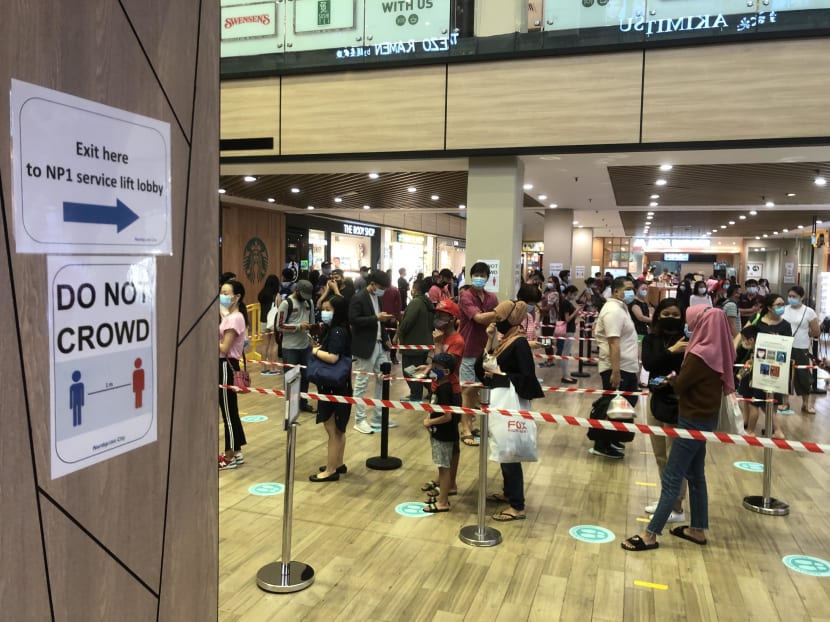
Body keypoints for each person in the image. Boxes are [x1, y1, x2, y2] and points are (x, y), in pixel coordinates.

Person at [622, 305, 735, 551]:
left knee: (673, 476)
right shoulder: (719, 348)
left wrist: (671, 379)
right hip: (706, 417)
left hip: (691, 418)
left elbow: (682, 384)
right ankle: (697, 529)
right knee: (696, 475)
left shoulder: (699, 353)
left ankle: (650, 534)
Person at [484, 300, 545, 521]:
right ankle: (509, 493)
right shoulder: (506, 340)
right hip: (501, 401)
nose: (497, 322)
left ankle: (517, 506)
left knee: (510, 451)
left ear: (511, 318)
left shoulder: (519, 343)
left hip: (511, 404)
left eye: (500, 318)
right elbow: (487, 360)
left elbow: (527, 376)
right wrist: (489, 338)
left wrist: (501, 375)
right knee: (504, 448)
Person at [642, 298, 688, 522]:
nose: (671, 318)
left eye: (675, 314)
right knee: (660, 453)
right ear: (658, 315)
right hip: (655, 398)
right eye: (666, 314)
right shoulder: (651, 339)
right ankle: (666, 498)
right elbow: (649, 364)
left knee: (675, 456)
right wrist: (671, 351)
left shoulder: (689, 340)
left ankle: (677, 506)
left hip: (678, 400)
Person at [591, 276, 639, 459]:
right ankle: (601, 443)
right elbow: (613, 342)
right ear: (616, 291)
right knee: (610, 406)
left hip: (627, 366)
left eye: (632, 288)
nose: (632, 292)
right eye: (628, 289)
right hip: (617, 367)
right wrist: (616, 371)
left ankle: (612, 438)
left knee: (624, 406)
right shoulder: (613, 310)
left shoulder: (621, 308)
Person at [309, 295, 352, 482]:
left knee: (332, 428)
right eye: (323, 309)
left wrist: (315, 351)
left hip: (333, 386)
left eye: (328, 310)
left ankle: (330, 470)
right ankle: (338, 463)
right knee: (339, 428)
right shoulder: (341, 329)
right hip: (341, 385)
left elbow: (333, 357)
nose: (324, 313)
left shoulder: (337, 332)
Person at [349, 270, 395, 433]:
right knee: (362, 382)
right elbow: (353, 320)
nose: (383, 291)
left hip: (379, 344)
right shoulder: (358, 297)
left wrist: (386, 337)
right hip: (365, 345)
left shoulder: (377, 298)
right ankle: (359, 419)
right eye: (381, 287)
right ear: (373, 284)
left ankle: (379, 416)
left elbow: (380, 322)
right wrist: (375, 318)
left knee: (384, 379)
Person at [458, 261, 499, 445]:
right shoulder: (466, 296)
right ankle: (465, 428)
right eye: (476, 275)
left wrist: (496, 317)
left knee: (477, 390)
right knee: (467, 391)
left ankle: (471, 423)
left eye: (483, 275)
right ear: (471, 276)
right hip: (467, 348)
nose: (479, 278)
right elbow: (479, 318)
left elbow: (494, 321)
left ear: (488, 278)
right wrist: (500, 313)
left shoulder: (491, 298)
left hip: (485, 350)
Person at [744, 294, 791, 438]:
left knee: (771, 402)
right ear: (770, 307)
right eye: (778, 304)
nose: (782, 307)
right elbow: (746, 338)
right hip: (759, 366)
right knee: (756, 401)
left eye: (783, 304)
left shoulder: (786, 325)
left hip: (777, 368)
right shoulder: (758, 321)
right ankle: (767, 430)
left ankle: (768, 429)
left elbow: (788, 346)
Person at [420, 352, 461, 513]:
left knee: (443, 468)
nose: (432, 370)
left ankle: (443, 502)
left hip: (443, 433)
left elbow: (447, 416)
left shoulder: (445, 389)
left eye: (436, 368)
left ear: (446, 371)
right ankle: (443, 495)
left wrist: (430, 422)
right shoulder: (442, 387)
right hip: (442, 432)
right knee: (443, 466)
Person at [218, 279, 248, 470]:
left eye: (226, 293)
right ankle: (237, 452)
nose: (222, 296)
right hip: (224, 365)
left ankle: (229, 456)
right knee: (230, 410)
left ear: (236, 297)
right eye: (221, 292)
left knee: (228, 412)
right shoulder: (229, 316)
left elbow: (224, 348)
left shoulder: (235, 318)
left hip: (225, 366)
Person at [277, 279, 316, 413]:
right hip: (290, 347)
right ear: (297, 291)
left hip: (306, 345)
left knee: (305, 376)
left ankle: (303, 403)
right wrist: (298, 326)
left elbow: (312, 322)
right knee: (290, 377)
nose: (305, 299)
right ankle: (290, 405)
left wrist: (313, 330)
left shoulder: (309, 302)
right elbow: (279, 326)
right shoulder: (286, 304)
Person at [783, 286, 820, 414]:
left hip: (801, 347)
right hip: (785, 346)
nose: (791, 298)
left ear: (802, 297)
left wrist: (805, 335)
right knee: (785, 374)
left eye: (794, 296)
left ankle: (805, 404)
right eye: (789, 296)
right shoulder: (783, 309)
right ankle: (785, 402)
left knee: (803, 375)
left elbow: (816, 331)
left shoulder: (809, 312)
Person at [397, 279, 434, 402]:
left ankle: (415, 395)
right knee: (421, 370)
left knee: (410, 370)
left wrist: (398, 334)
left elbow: (407, 322)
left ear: (415, 289)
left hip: (412, 343)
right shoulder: (427, 302)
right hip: (424, 343)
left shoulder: (416, 302)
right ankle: (432, 391)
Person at [257, 274, 282, 375]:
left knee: (264, 344)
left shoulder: (262, 294)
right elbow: (280, 308)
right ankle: (273, 368)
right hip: (273, 322)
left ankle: (263, 368)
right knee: (274, 344)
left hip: (263, 321)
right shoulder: (276, 295)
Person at [559, 285, 583, 383]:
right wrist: (576, 310)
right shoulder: (565, 303)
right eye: (574, 294)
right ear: (569, 293)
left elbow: (572, 317)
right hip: (567, 330)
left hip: (570, 329)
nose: (575, 296)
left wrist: (577, 312)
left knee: (566, 352)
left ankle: (567, 374)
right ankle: (565, 375)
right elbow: (567, 319)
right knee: (565, 353)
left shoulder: (568, 302)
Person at [539, 276, 560, 367]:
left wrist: (539, 308)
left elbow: (548, 308)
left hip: (550, 320)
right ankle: (548, 358)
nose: (549, 283)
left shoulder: (554, 294)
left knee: (547, 340)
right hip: (545, 319)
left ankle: (550, 360)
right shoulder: (547, 293)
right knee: (545, 340)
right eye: (548, 281)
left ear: (556, 283)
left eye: (551, 281)